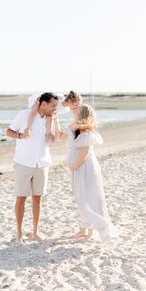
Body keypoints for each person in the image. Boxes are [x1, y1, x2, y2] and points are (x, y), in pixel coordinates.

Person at [54, 104, 118, 243]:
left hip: (85, 166)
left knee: (88, 198)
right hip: (78, 168)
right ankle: (87, 229)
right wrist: (55, 119)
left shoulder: (86, 131)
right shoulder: (74, 127)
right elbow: (61, 137)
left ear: (82, 114)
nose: (74, 112)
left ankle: (98, 228)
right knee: (81, 197)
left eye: (77, 111)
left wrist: (75, 165)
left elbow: (85, 151)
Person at [6, 92, 58, 245]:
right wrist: (21, 136)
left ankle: (35, 232)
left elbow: (53, 138)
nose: (55, 108)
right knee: (21, 198)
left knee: (38, 198)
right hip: (23, 162)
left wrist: (52, 137)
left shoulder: (51, 119)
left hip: (42, 163)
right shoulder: (24, 115)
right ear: (43, 104)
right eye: (53, 105)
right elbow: (8, 132)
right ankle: (19, 234)